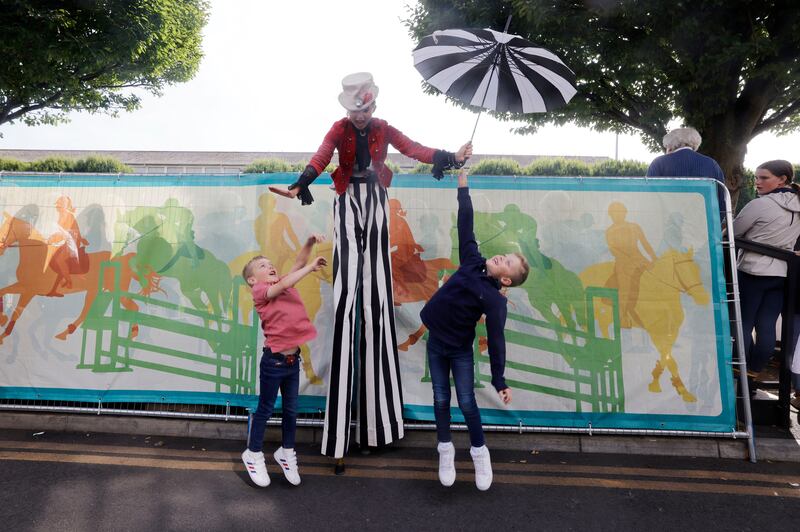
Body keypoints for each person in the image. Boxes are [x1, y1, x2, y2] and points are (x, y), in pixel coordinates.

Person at [269, 72, 472, 472]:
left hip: (376, 199)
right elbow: (321, 156)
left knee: (377, 303)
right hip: (346, 202)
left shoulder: (383, 128)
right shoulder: (338, 128)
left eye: (363, 111)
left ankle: (379, 429)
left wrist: (452, 157)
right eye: (353, 111)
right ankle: (340, 435)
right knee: (346, 305)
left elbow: (414, 149)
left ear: (373, 107)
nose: (358, 118)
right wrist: (301, 183)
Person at [419, 168, 529, 491]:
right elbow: (464, 224)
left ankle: (480, 453)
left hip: (459, 349)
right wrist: (463, 186)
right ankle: (445, 450)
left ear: (506, 279)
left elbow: (496, 341)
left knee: (466, 401)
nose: (501, 258)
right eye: (505, 256)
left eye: (507, 263)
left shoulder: (495, 302)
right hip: (435, 343)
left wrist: (500, 380)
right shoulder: (471, 260)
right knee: (440, 398)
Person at [240, 234, 328, 487]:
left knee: (291, 409)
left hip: (292, 362)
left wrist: (310, 243)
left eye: (270, 264)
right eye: (262, 266)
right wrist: (311, 268)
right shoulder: (261, 291)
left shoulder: (283, 282)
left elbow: (297, 265)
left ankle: (286, 452)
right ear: (252, 279)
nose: (270, 267)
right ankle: (253, 453)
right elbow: (288, 280)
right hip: (274, 363)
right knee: (265, 409)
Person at [733, 160, 800, 384]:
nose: (757, 182)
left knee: (742, 322)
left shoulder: (760, 205)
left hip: (753, 270)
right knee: (766, 324)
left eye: (763, 178)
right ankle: (755, 368)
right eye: (756, 177)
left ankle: (742, 369)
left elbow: (734, 231)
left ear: (782, 179)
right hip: (781, 273)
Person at [605, 201, 657, 329]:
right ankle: (622, 317)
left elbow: (645, 243)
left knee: (657, 279)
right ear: (610, 215)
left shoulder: (635, 227)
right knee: (624, 289)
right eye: (614, 213)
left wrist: (654, 257)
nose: (617, 215)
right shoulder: (610, 231)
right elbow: (613, 249)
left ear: (625, 213)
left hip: (640, 259)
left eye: (620, 212)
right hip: (623, 263)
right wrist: (628, 259)